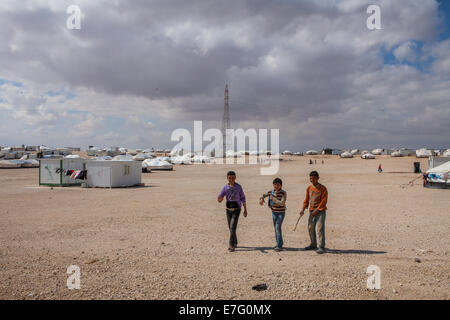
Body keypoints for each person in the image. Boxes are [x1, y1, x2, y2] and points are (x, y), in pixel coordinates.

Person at [299, 171, 328, 254]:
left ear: (318, 178)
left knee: (319, 229)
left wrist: (318, 209)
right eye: (310, 178)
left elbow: (324, 200)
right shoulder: (309, 188)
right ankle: (313, 244)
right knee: (310, 228)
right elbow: (306, 200)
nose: (312, 180)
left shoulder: (323, 188)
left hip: (320, 212)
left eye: (314, 178)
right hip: (311, 211)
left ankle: (321, 247)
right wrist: (303, 209)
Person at [218, 171, 247, 252]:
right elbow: (220, 197)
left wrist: (245, 210)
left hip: (237, 210)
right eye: (229, 178)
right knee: (231, 228)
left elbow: (243, 198)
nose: (231, 179)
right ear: (227, 178)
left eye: (233, 178)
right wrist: (219, 199)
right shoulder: (225, 188)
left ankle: (231, 245)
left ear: (235, 178)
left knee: (232, 227)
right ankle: (235, 242)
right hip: (228, 210)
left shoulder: (238, 187)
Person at [259, 178, 287, 252]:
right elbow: (263, 195)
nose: (276, 186)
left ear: (281, 185)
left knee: (277, 227)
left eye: (278, 185)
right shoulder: (271, 192)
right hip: (274, 212)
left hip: (281, 213)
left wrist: (273, 199)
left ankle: (279, 245)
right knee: (276, 228)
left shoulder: (283, 193)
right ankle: (279, 242)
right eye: (275, 184)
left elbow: (282, 203)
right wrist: (261, 199)